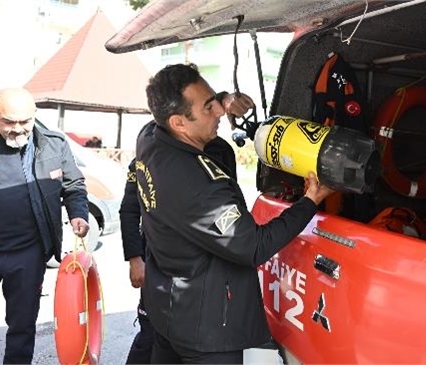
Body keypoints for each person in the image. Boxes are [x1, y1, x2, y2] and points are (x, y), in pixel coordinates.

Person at [136, 63, 333, 364]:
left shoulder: (150, 137)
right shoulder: (199, 186)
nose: (218, 111)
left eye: (215, 100)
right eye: (208, 108)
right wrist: (310, 200)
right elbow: (253, 246)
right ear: (178, 123)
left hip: (166, 308)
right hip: (208, 331)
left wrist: (225, 99)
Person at [120, 109, 242, 364]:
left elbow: (232, 205)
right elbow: (130, 209)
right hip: (161, 262)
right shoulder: (151, 151)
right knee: (151, 334)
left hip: (209, 264)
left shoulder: (221, 151)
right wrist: (135, 259)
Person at [0, 87, 90, 364]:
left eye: (24, 121)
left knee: (23, 326)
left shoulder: (54, 144)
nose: (17, 129)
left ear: (34, 115)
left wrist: (79, 214)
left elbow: (74, 186)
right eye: (8, 122)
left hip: (29, 253)